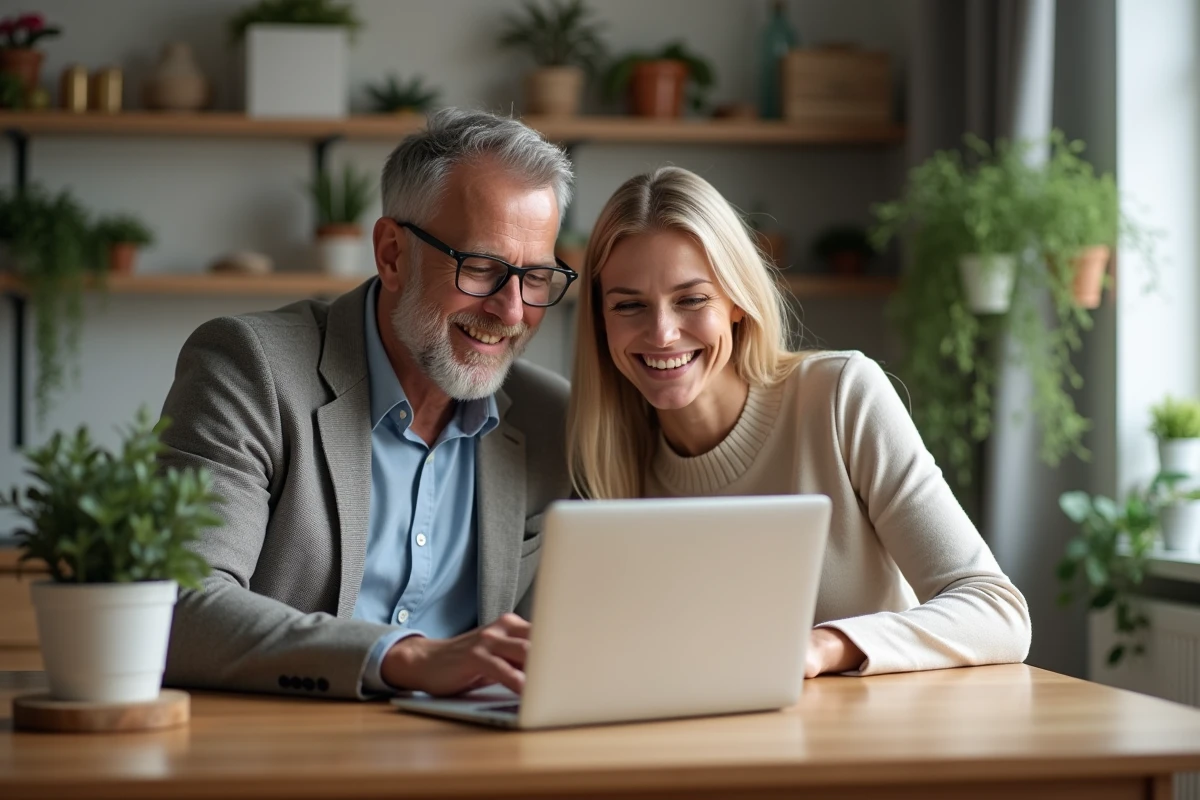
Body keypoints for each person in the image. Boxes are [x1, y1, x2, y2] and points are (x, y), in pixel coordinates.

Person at [160, 109, 578, 699]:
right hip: (283, 753)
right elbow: (176, 605)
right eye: (481, 268)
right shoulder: (249, 367)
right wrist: (402, 658)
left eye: (535, 277)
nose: (511, 311)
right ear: (391, 255)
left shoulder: (551, 420)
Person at [567, 166, 1031, 677]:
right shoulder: (605, 458)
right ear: (601, 320)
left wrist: (824, 647)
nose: (662, 332)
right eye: (629, 305)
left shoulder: (839, 396)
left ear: (736, 302)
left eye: (692, 299)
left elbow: (996, 610)